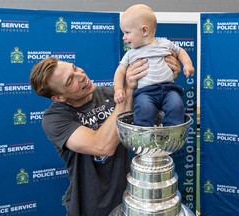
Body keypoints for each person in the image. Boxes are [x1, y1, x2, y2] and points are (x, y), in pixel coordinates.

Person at [30, 54, 181, 216]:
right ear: (59, 97)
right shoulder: (55, 118)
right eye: (70, 80)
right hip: (89, 209)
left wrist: (165, 79)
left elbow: (156, 109)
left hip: (128, 203)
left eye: (75, 68)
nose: (81, 76)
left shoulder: (112, 95)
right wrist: (127, 90)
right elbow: (102, 146)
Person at [114, 4, 195, 127]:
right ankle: (144, 136)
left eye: (127, 32)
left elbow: (180, 51)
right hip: (145, 92)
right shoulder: (131, 53)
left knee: (176, 104)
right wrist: (119, 89)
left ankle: (170, 134)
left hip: (169, 89)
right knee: (144, 108)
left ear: (144, 30)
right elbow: (120, 71)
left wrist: (188, 64)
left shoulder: (165, 43)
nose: (124, 38)